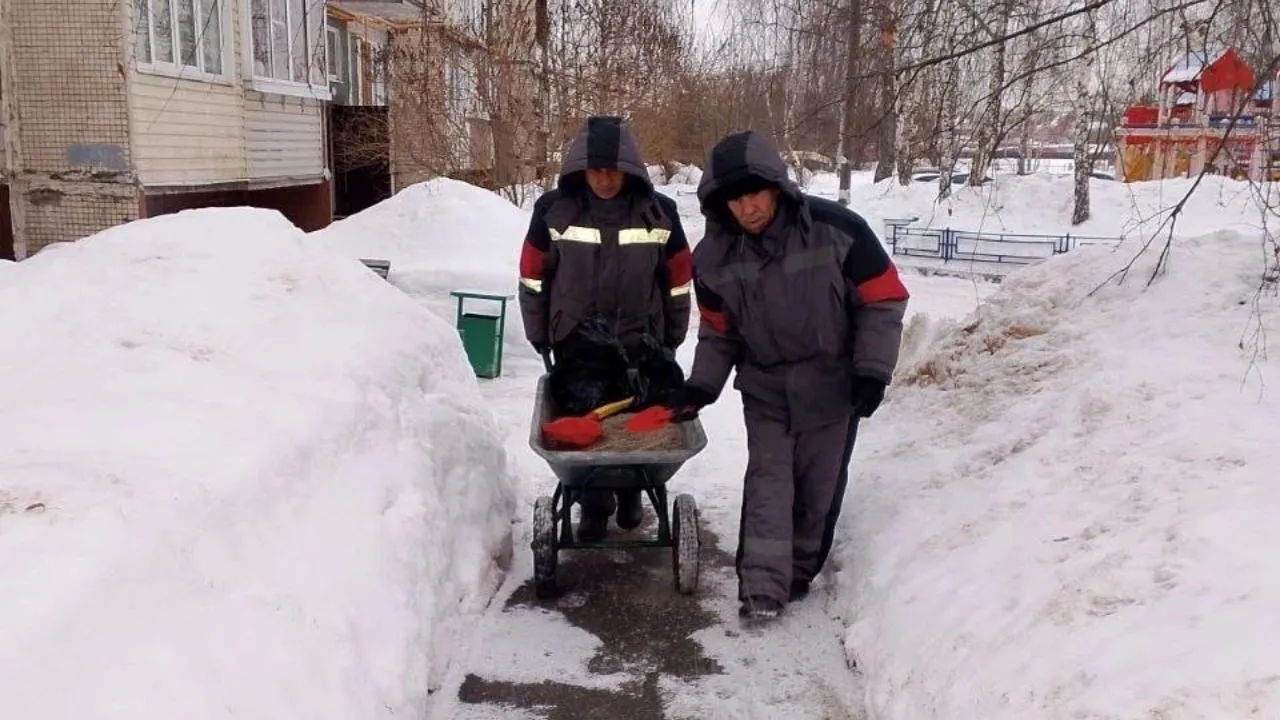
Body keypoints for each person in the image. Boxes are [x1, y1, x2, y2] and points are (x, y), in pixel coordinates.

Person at [664, 130, 910, 620]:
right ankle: (762, 589)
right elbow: (718, 332)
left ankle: (797, 573)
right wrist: (702, 385)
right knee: (770, 483)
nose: (747, 208)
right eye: (734, 199)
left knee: (818, 490)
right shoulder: (712, 258)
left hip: (834, 383)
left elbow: (883, 298)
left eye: (755, 192)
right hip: (766, 387)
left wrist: (872, 371)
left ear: (777, 186)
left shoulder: (837, 229)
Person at [517, 115, 693, 541]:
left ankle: (633, 492)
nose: (605, 179)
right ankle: (593, 504)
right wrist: (539, 332)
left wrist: (672, 336)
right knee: (585, 419)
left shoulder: (659, 213)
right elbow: (532, 276)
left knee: (635, 421)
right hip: (577, 341)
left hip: (640, 339)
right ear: (581, 168)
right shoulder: (554, 210)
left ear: (629, 168)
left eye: (613, 170)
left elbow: (679, 279)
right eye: (596, 170)